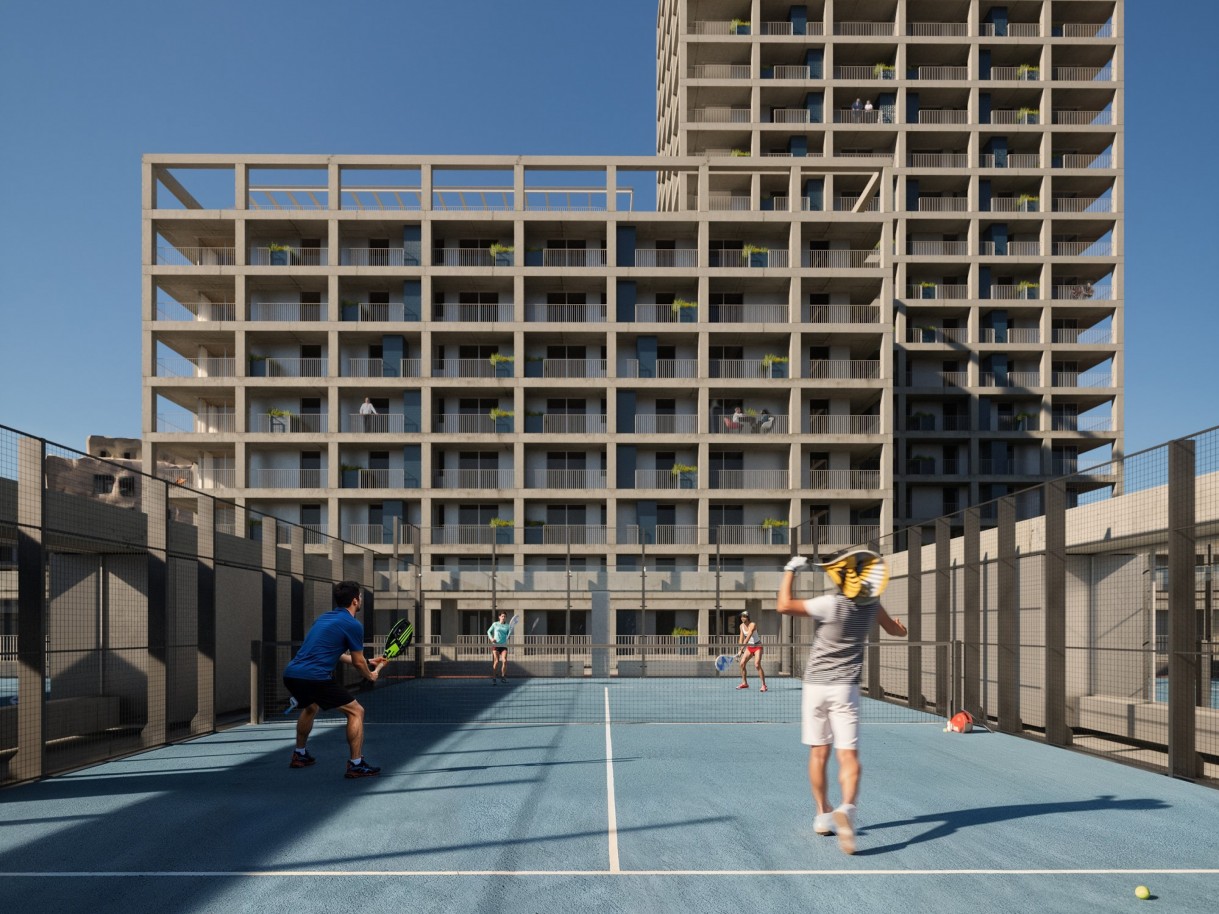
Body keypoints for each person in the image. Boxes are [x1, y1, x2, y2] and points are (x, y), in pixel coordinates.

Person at [774, 549, 908, 855]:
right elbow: (895, 631)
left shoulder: (829, 604)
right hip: (846, 688)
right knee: (848, 757)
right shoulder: (872, 606)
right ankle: (846, 808)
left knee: (819, 754)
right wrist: (901, 627)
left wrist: (790, 570)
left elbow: (783, 605)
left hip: (816, 687)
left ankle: (823, 814)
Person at [282, 580, 386, 778]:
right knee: (356, 712)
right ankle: (356, 764)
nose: (361, 599)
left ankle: (300, 754)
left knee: (311, 707)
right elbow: (357, 663)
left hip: (292, 674)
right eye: (361, 597)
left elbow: (336, 653)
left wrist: (368, 661)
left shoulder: (323, 619)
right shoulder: (353, 624)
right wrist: (370, 674)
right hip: (315, 677)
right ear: (355, 601)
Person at [736, 610, 767, 691]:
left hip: (757, 646)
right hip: (749, 647)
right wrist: (740, 649)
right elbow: (741, 638)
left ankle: (764, 685)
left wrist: (742, 649)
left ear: (747, 617)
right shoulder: (741, 626)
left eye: (744, 616)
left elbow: (748, 637)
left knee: (757, 664)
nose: (742, 618)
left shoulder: (752, 625)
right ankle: (744, 683)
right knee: (742, 663)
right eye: (741, 616)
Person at [487, 610, 512, 682]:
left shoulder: (507, 626)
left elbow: (508, 635)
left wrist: (508, 636)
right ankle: (494, 678)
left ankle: (503, 676)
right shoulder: (495, 624)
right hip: (496, 645)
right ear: (499, 617)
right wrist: (491, 638)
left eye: (504, 616)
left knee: (504, 661)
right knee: (497, 661)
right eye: (502, 616)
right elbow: (488, 631)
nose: (503, 617)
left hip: (504, 645)